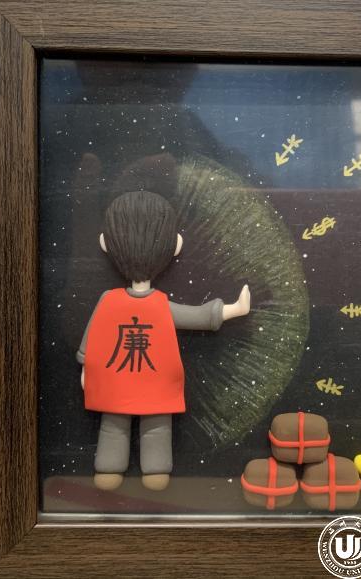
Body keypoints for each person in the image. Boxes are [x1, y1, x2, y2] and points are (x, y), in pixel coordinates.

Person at [76, 190, 251, 491]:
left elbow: (195, 316)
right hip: (126, 378)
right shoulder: (138, 302)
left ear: (105, 243)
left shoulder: (118, 300)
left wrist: (232, 310)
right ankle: (115, 467)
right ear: (175, 245)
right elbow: (195, 315)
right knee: (126, 424)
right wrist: (85, 366)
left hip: (132, 377)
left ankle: (146, 469)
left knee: (139, 424)